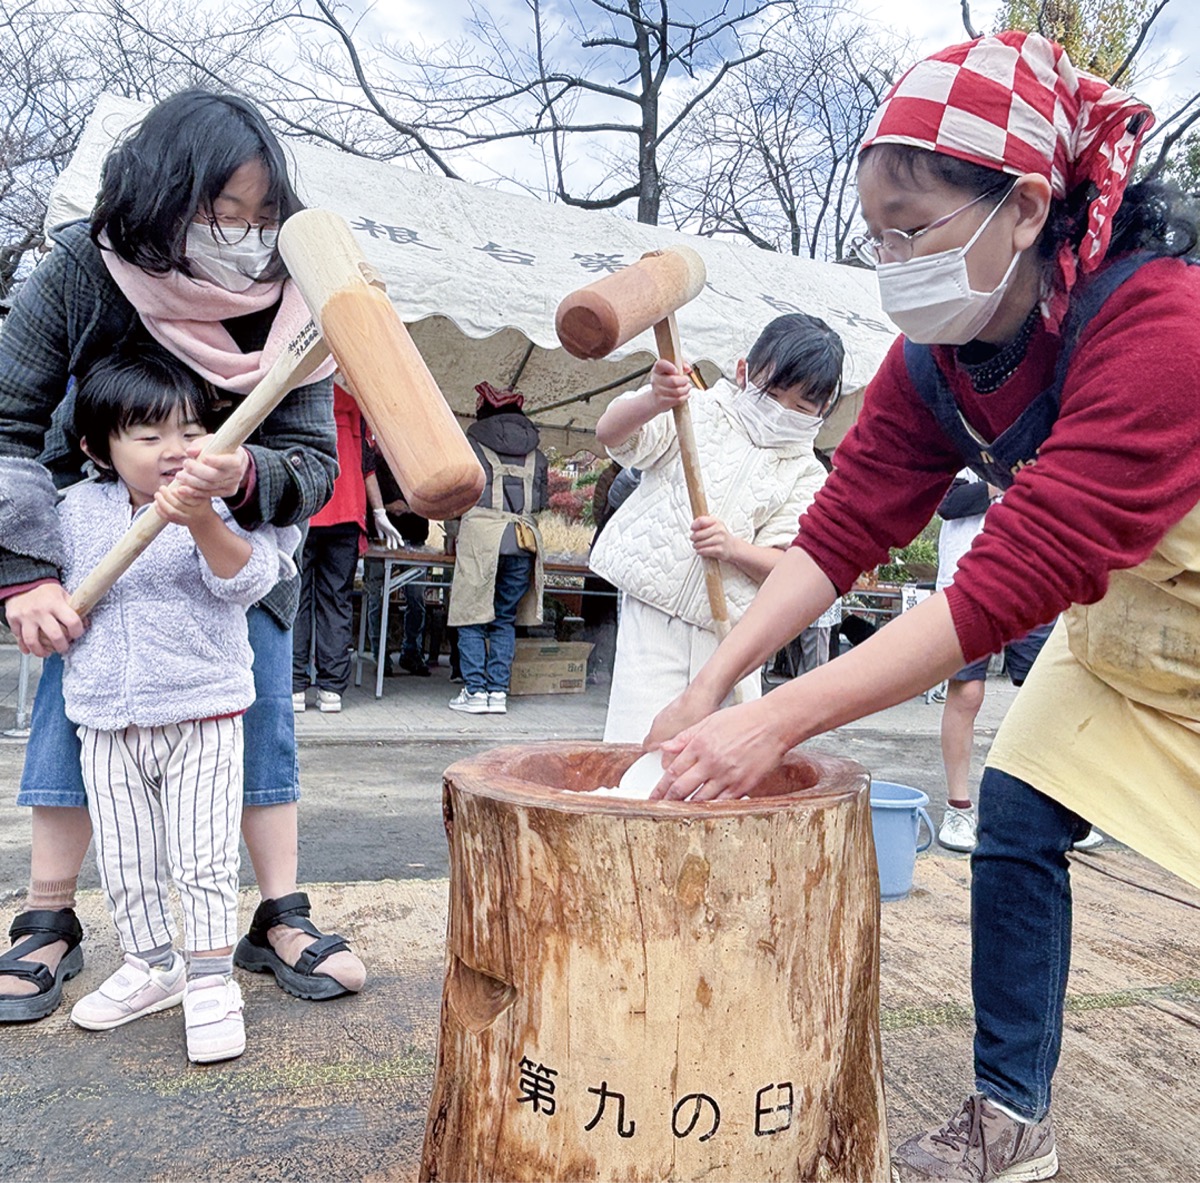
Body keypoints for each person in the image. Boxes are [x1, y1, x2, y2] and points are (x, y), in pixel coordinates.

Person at [645, 30, 1199, 1182]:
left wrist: (776, 721)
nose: (893, 260)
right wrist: (713, 682)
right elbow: (842, 530)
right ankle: (1011, 1115)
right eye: (877, 234)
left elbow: (1017, 573)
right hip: (1119, 630)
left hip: (1166, 593)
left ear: (1028, 206)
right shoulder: (932, 358)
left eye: (916, 230)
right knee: (1017, 811)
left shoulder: (1162, 327)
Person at [0, 90, 365, 1025]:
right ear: (161, 201)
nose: (243, 238)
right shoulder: (85, 267)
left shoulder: (296, 302)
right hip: (91, 549)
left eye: (262, 217)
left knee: (261, 713)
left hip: (235, 548)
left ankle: (278, 911)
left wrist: (245, 474)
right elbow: (6, 421)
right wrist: (24, 574)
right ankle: (48, 915)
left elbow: (315, 466)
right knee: (72, 717)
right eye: (219, 214)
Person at [46, 347, 295, 1060]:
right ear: (97, 446)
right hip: (105, 717)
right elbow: (45, 586)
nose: (175, 448)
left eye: (189, 430)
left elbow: (250, 583)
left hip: (203, 712)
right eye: (147, 435)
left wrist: (201, 523)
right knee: (127, 857)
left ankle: (212, 975)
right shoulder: (71, 512)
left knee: (202, 856)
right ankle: (153, 963)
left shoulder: (219, 501)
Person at [590, 313, 843, 742]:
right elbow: (612, 434)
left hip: (733, 639)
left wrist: (733, 548)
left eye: (800, 408)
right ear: (744, 371)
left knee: (717, 761)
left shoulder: (806, 473)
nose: (782, 412)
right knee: (637, 745)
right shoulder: (696, 411)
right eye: (773, 393)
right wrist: (653, 400)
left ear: (822, 412)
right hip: (653, 615)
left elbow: (789, 566)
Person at [446, 381, 548, 715]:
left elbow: (457, 493)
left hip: (481, 538)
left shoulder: (471, 444)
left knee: (472, 615)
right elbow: (542, 502)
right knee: (504, 618)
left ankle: (474, 691)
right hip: (523, 539)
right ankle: (497, 693)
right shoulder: (538, 453)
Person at [292, 381, 374, 714]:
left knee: (297, 600)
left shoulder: (298, 396)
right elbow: (366, 464)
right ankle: (331, 690)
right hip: (347, 510)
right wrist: (378, 512)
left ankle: (295, 687)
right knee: (336, 601)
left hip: (306, 507)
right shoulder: (357, 400)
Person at [364, 441, 431, 678]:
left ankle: (411, 651)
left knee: (416, 599)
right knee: (376, 597)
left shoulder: (417, 464)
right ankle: (380, 656)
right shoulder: (371, 458)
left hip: (413, 537)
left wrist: (414, 507)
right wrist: (387, 507)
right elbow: (363, 498)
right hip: (379, 539)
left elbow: (430, 498)